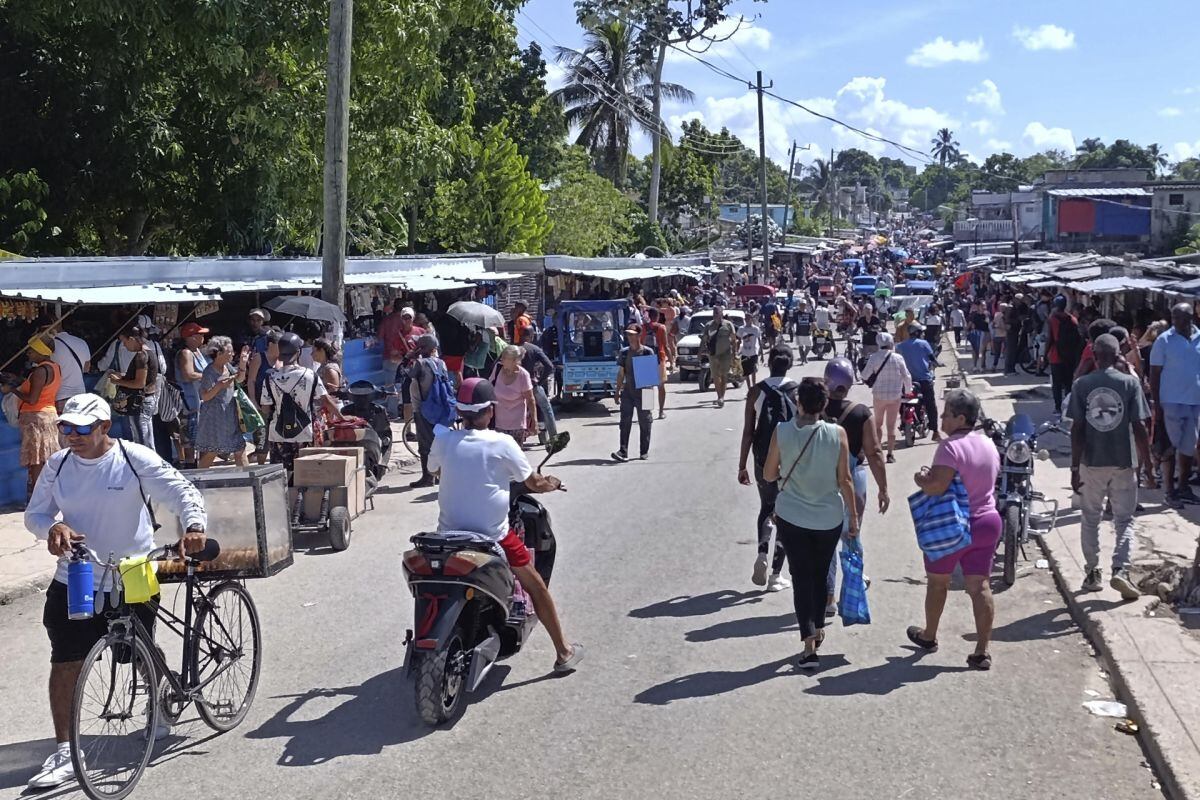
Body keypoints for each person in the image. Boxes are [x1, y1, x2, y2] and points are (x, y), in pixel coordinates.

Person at [23, 394, 206, 791]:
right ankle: (65, 751)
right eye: (65, 427)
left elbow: (181, 490)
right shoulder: (58, 465)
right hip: (77, 575)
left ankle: (159, 697)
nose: (72, 436)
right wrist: (52, 528)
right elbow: (35, 514)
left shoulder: (133, 458)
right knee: (66, 660)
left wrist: (193, 527)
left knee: (139, 651)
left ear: (104, 427)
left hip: (133, 572)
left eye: (82, 429)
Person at [429, 378, 583, 672]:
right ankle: (563, 652)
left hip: (448, 537)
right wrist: (551, 483)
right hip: (492, 538)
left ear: (460, 411)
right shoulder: (502, 443)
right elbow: (533, 482)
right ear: (489, 411)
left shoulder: (444, 440)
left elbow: (433, 469)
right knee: (536, 585)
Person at [762, 378, 859, 670]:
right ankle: (817, 628)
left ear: (798, 402)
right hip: (828, 518)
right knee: (819, 575)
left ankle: (808, 644)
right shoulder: (837, 433)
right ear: (824, 404)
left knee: (801, 577)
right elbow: (845, 479)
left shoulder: (782, 431)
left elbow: (769, 475)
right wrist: (854, 518)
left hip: (792, 517)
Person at [907, 388, 1001, 671]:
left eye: (947, 415)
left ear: (961, 418)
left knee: (938, 582)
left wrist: (921, 479)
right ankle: (982, 651)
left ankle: (929, 635)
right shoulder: (987, 443)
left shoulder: (949, 447)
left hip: (953, 525)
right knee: (980, 586)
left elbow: (937, 487)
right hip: (988, 522)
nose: (942, 420)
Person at [1068, 335, 1151, 599]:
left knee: (1090, 518)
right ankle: (1121, 570)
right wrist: (1148, 465)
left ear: (1094, 356)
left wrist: (1074, 468)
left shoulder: (1082, 384)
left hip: (1091, 462)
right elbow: (1140, 426)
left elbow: (1077, 430)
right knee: (1124, 519)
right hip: (1124, 461)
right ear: (1117, 357)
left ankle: (1093, 573)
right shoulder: (1129, 383)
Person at [822, 357, 889, 617]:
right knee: (852, 533)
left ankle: (828, 598)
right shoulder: (860, 413)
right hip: (854, 478)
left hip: (823, 479)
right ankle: (851, 592)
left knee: (827, 537)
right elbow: (874, 452)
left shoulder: (815, 407)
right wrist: (883, 488)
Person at [738, 346, 797, 593]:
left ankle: (762, 551)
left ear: (769, 363)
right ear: (789, 364)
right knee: (786, 513)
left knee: (767, 506)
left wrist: (742, 465)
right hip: (791, 458)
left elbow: (748, 432)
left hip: (763, 455)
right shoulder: (796, 390)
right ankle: (775, 575)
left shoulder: (755, 391)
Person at [258, 332, 342, 473]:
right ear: (298, 352)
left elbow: (265, 409)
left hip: (278, 435)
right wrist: (342, 417)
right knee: (305, 476)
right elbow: (326, 399)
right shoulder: (310, 375)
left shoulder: (270, 377)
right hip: (305, 434)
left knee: (281, 477)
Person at [1149, 302, 1200, 505]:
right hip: (1170, 401)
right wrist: (1157, 404)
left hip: (1195, 402)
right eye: (1174, 317)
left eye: (1180, 317)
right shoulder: (1164, 340)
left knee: (1189, 448)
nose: (1175, 321)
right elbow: (1154, 374)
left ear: (1190, 318)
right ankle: (1170, 491)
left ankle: (1184, 487)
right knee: (1169, 448)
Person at [2, 335, 62, 499]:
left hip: (36, 417)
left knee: (36, 460)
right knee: (45, 458)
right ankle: (48, 495)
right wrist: (19, 380)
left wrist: (11, 389)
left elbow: (32, 399)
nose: (28, 353)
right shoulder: (54, 367)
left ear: (40, 351)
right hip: (48, 415)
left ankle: (38, 497)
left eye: (31, 350)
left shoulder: (40, 371)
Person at [196, 336, 250, 468]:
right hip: (215, 417)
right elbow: (205, 396)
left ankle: (248, 477)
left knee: (239, 448)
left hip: (230, 415)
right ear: (219, 353)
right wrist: (219, 386)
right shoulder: (209, 372)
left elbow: (239, 379)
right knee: (213, 450)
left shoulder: (227, 366)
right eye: (229, 351)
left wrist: (243, 364)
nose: (232, 354)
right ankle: (198, 476)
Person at [862, 333, 912, 464]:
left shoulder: (874, 358)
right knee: (891, 426)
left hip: (879, 396)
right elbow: (906, 376)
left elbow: (864, 375)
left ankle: (878, 452)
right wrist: (908, 391)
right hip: (895, 396)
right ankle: (890, 454)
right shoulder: (898, 358)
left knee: (878, 424)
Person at [108, 324, 160, 451]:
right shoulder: (150, 352)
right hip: (148, 400)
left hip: (140, 402)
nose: (124, 345)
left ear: (131, 339)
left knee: (142, 441)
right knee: (147, 439)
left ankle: (146, 463)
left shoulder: (141, 356)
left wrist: (118, 381)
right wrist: (123, 376)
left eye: (124, 342)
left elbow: (139, 383)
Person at [408, 334, 451, 487]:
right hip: (439, 408)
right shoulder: (441, 363)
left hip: (423, 408)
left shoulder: (420, 363)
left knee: (425, 444)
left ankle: (427, 478)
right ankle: (440, 475)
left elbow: (406, 375)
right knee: (439, 442)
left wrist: (410, 357)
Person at [612, 324, 656, 462]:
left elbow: (650, 376)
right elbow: (621, 373)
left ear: (639, 335)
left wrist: (649, 395)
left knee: (645, 421)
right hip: (628, 392)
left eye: (632, 334)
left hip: (645, 391)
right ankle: (623, 451)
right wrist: (617, 391)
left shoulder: (647, 352)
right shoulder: (624, 353)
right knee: (625, 422)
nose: (630, 337)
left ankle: (644, 451)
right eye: (628, 334)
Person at [378, 305, 425, 421]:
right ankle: (406, 424)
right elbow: (393, 356)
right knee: (406, 398)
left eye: (409, 317)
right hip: (407, 371)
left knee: (422, 397)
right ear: (401, 318)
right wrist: (404, 358)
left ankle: (419, 420)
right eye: (404, 317)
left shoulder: (421, 332)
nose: (407, 320)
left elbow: (430, 349)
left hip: (421, 370)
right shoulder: (398, 335)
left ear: (413, 318)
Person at [897, 322, 941, 443]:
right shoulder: (924, 343)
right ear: (917, 333)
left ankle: (903, 422)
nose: (923, 334)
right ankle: (935, 431)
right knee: (931, 405)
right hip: (924, 380)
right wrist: (938, 364)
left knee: (903, 402)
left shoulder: (900, 346)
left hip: (907, 381)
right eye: (921, 332)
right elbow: (932, 359)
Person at [175, 322, 210, 467]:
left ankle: (202, 470)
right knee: (189, 443)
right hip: (190, 404)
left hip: (202, 403)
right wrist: (208, 376)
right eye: (200, 334)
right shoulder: (186, 353)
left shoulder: (198, 352)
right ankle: (191, 468)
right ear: (191, 337)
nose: (203, 337)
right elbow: (187, 375)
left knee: (204, 441)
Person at [489, 344, 537, 446]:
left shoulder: (523, 375)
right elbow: (489, 388)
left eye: (505, 358)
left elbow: (530, 400)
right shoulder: (497, 369)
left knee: (514, 454)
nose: (501, 359)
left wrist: (534, 421)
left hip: (517, 426)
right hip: (498, 424)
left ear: (515, 360)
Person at [519, 326, 558, 440]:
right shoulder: (535, 349)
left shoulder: (512, 349)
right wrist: (541, 381)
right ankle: (554, 438)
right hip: (532, 385)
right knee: (546, 409)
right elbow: (549, 366)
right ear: (532, 336)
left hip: (515, 387)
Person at [1047, 296, 1082, 414]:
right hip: (1070, 356)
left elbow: (1050, 338)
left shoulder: (1052, 319)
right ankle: (1068, 407)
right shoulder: (1073, 319)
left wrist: (1044, 354)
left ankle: (1057, 407)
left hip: (1056, 355)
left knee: (1056, 383)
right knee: (1068, 382)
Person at [702, 303, 738, 408]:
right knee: (715, 376)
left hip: (726, 353)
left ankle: (722, 397)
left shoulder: (728, 324)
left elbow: (734, 339)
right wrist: (702, 351)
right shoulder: (708, 325)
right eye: (714, 313)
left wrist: (735, 353)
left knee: (724, 375)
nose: (715, 315)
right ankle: (719, 396)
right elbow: (704, 339)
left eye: (717, 313)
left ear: (722, 314)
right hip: (713, 354)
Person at [49, 325, 91, 412]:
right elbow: (86, 369)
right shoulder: (82, 342)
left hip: (60, 396)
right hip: (80, 394)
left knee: (62, 420)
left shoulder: (50, 346)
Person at [643, 308, 670, 419]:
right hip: (659, 358)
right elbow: (666, 346)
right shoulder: (661, 327)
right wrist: (672, 360)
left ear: (649, 316)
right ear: (657, 316)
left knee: (647, 387)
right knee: (661, 386)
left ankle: (647, 413)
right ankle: (661, 412)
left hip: (646, 358)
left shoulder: (643, 327)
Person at [737, 313, 763, 387]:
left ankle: (754, 386)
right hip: (744, 353)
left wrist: (762, 354)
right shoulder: (741, 329)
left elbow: (759, 341)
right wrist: (736, 351)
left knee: (753, 371)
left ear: (751, 319)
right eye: (746, 318)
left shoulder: (756, 329)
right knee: (746, 373)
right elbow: (738, 340)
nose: (747, 320)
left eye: (748, 318)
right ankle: (749, 388)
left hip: (753, 353)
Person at [968, 300, 990, 372]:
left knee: (983, 351)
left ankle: (982, 366)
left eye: (984, 305)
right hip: (976, 333)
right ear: (978, 306)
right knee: (975, 350)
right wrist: (968, 330)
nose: (984, 307)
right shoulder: (974, 314)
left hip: (985, 333)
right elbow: (971, 323)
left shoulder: (987, 314)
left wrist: (986, 316)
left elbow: (988, 323)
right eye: (982, 305)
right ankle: (974, 366)